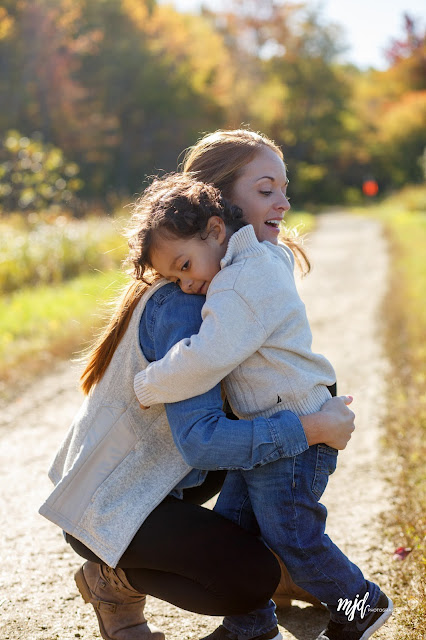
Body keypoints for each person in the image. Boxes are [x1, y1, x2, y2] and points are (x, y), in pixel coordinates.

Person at [39, 129, 357, 640]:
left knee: (271, 512)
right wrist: (314, 426)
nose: (283, 201)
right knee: (249, 576)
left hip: (155, 482)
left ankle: (283, 571)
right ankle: (113, 577)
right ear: (220, 208)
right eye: (263, 189)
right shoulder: (189, 301)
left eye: (283, 186)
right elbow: (204, 440)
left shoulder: (234, 276)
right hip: (109, 502)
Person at [131, 173, 393, 638]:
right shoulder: (247, 263)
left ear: (215, 230)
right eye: (175, 277)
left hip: (294, 434)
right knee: (234, 530)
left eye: (186, 265)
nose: (188, 285)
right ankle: (249, 625)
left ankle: (362, 606)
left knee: (291, 534)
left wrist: (149, 385)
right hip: (269, 427)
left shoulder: (239, 282)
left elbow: (205, 357)